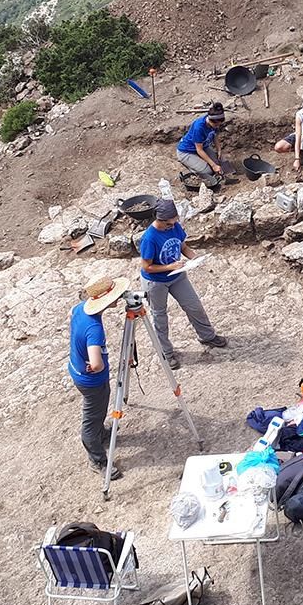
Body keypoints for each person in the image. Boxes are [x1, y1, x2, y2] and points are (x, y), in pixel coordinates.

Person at [139, 198, 227, 369]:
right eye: (169, 224)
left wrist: (194, 258)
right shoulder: (149, 238)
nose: (173, 226)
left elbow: (183, 247)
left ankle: (207, 336)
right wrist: (169, 266)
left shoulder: (175, 227)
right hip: (156, 282)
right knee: (160, 316)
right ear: (160, 220)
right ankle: (166, 353)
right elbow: (147, 267)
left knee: (193, 305)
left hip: (177, 275)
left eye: (174, 222)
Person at [67, 275, 128, 475]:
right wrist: (97, 367)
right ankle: (98, 460)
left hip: (77, 371)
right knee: (91, 420)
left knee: (98, 412)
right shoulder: (94, 328)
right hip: (92, 381)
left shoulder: (79, 309)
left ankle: (101, 433)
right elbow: (96, 363)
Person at [177, 102, 228, 188]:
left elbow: (214, 135)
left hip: (203, 147)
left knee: (218, 163)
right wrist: (213, 165)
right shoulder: (199, 127)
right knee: (208, 171)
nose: (217, 126)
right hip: (186, 152)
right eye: (216, 125)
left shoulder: (214, 122)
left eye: (219, 125)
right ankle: (190, 166)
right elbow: (199, 150)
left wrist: (219, 150)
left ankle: (199, 163)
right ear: (211, 121)